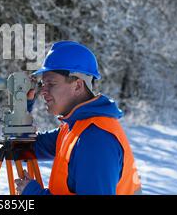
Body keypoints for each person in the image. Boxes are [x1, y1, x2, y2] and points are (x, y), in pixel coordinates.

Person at [15, 41, 142, 195]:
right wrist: (23, 106)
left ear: (78, 86)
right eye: (42, 84)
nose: (43, 91)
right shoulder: (75, 128)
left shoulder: (95, 139)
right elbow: (20, 147)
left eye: (51, 83)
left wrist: (34, 194)